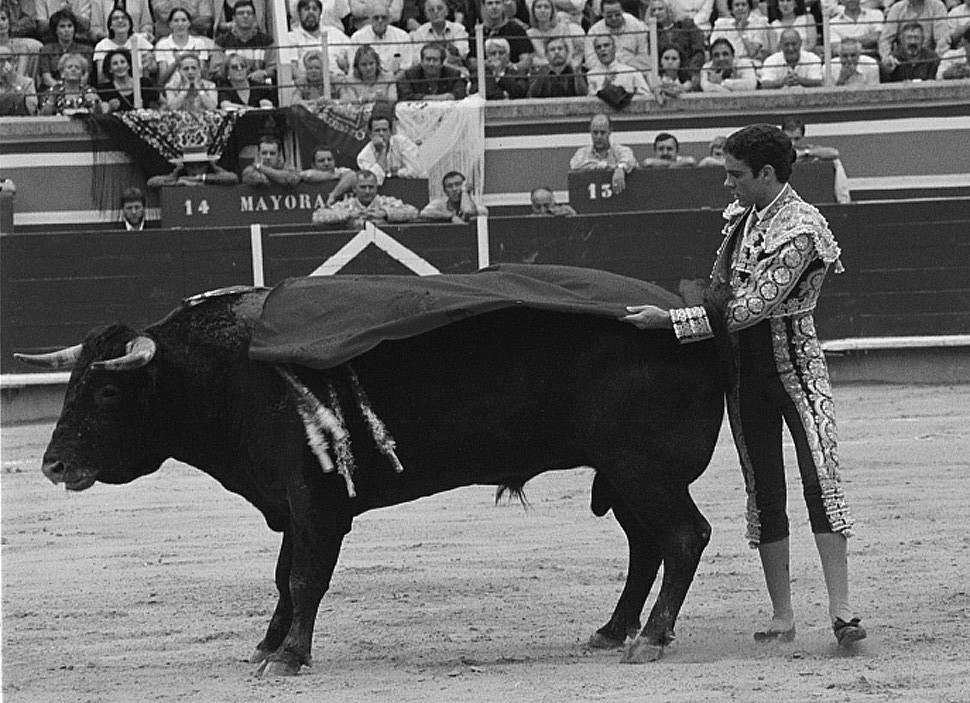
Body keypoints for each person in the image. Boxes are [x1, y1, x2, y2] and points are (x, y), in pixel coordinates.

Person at [622, 123, 867, 650]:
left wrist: (671, 322)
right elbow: (720, 288)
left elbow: (749, 307)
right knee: (765, 490)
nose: (727, 185)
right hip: (745, 376)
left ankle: (843, 611)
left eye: (735, 174)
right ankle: (782, 615)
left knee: (821, 480)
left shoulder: (803, 228)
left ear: (767, 173)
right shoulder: (740, 218)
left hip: (797, 371)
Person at [312, 169, 419, 226]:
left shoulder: (386, 202)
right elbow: (317, 216)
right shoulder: (347, 205)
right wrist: (347, 215)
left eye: (371, 187)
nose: (367, 191)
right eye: (363, 187)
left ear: (376, 188)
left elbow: (414, 212)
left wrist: (385, 213)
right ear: (354, 189)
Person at [782, 115, 850, 203]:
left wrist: (806, 153)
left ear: (802, 137)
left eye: (796, 139)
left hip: (811, 192)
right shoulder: (776, 150)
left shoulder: (806, 149)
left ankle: (844, 202)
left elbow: (834, 153)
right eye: (789, 138)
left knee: (836, 162)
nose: (792, 143)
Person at [569, 113, 636, 196]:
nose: (599, 137)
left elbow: (629, 160)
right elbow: (575, 165)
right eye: (595, 132)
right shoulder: (582, 153)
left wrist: (620, 168)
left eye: (603, 132)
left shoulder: (622, 150)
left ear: (610, 131)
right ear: (589, 130)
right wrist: (607, 166)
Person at [212, 0, 276, 85]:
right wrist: (234, 73)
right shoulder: (221, 42)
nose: (245, 16)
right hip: (230, 90)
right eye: (240, 13)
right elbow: (215, 72)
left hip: (259, 88)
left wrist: (264, 73)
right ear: (233, 18)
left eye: (249, 13)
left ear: (254, 17)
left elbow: (274, 68)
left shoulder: (267, 41)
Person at [282, 0, 352, 77]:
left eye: (315, 9)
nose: (311, 12)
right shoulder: (291, 37)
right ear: (299, 13)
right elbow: (293, 69)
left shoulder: (335, 33)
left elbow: (353, 55)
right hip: (309, 84)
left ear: (320, 13)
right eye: (306, 9)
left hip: (338, 81)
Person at [645, 0, 706, 89]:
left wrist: (690, 72)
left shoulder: (687, 25)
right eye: (653, 10)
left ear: (670, 9)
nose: (656, 13)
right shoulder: (653, 33)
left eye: (660, 9)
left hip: (689, 71)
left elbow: (699, 51)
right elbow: (653, 57)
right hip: (664, 75)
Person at [878, 0, 949, 70]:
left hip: (928, 61)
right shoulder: (897, 8)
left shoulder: (937, 6)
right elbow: (885, 39)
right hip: (901, 62)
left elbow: (942, 40)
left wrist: (935, 64)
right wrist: (887, 58)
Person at [585, 0, 651, 75]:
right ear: (603, 14)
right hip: (606, 72)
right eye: (609, 16)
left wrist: (627, 67)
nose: (614, 18)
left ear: (622, 11)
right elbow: (590, 60)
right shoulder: (594, 31)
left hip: (634, 70)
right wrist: (613, 68)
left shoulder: (636, 24)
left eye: (617, 14)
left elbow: (643, 54)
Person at [357, 113, 425, 184]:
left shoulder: (402, 142)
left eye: (384, 130)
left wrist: (393, 174)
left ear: (390, 132)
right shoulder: (363, 156)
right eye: (377, 130)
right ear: (370, 135)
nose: (381, 134)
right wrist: (381, 152)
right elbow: (375, 181)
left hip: (408, 185)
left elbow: (416, 171)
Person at [467, 0, 532, 73]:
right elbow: (471, 63)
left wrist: (511, 67)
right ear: (484, 7)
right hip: (485, 78)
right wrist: (486, 65)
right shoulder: (476, 32)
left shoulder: (517, 30)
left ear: (503, 5)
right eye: (490, 3)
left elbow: (526, 61)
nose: (494, 7)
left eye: (497, 3)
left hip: (512, 78)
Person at [92, 8, 156, 80]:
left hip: (139, 85)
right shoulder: (102, 46)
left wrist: (149, 63)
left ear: (130, 24)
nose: (120, 20)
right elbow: (101, 78)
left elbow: (153, 69)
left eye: (124, 18)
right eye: (115, 18)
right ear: (110, 26)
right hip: (112, 87)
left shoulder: (140, 41)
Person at [351, 1, 416, 72]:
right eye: (376, 17)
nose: (380, 20)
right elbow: (354, 68)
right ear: (370, 18)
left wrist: (390, 80)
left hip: (395, 80)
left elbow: (405, 68)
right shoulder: (357, 38)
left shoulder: (402, 37)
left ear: (389, 19)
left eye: (384, 17)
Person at [154, 8, 213, 86]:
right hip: (171, 90)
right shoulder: (162, 44)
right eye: (176, 20)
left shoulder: (199, 43)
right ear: (170, 24)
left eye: (183, 20)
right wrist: (177, 61)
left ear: (189, 23)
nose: (180, 24)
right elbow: (162, 79)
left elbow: (203, 75)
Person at [38, 10, 93, 91]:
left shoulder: (87, 50)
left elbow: (85, 77)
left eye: (70, 26)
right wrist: (63, 90)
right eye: (62, 26)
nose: (66, 30)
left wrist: (72, 88)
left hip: (79, 89)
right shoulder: (45, 50)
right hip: (53, 90)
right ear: (55, 30)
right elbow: (47, 78)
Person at [585, 33, 653, 98]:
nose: (602, 49)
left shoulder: (631, 72)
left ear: (614, 48)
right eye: (598, 47)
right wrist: (604, 86)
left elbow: (646, 96)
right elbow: (590, 101)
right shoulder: (591, 75)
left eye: (606, 45)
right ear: (595, 51)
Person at [527, 0, 585, 70]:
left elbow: (569, 53)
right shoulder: (529, 34)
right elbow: (533, 60)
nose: (542, 10)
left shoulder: (563, 28)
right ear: (533, 12)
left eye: (546, 7)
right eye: (538, 7)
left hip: (564, 69)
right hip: (543, 71)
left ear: (552, 11)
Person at [397, 42, 466, 100]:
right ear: (421, 61)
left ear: (442, 63)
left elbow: (461, 92)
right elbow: (405, 95)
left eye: (435, 60)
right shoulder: (409, 75)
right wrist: (439, 98)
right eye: (428, 59)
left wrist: (450, 96)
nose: (431, 64)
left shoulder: (454, 74)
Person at [98, 48, 160, 112]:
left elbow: (164, 103)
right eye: (115, 64)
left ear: (129, 65)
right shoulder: (105, 89)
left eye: (123, 62)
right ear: (110, 69)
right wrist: (109, 107)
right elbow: (99, 113)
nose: (120, 66)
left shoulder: (144, 83)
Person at [146, 145, 239, 187]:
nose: (195, 170)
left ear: (207, 166)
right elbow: (152, 182)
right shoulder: (181, 174)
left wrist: (201, 178)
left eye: (200, 166)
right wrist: (177, 182)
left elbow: (233, 178)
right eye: (191, 166)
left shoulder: (214, 173)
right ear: (185, 166)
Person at [759, 28, 823, 88]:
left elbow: (818, 82)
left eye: (794, 44)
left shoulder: (813, 59)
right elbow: (765, 84)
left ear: (800, 43)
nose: (791, 48)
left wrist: (799, 80)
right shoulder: (771, 61)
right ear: (780, 45)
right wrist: (782, 82)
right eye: (786, 44)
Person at [420, 170, 486, 222]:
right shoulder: (438, 205)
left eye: (458, 184)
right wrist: (450, 217)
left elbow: (468, 212)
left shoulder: (478, 206)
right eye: (449, 186)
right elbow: (424, 213)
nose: (454, 189)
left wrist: (465, 192)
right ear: (445, 191)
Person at [0, 7, 42, 80]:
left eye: (3, 19)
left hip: (19, 86)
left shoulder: (24, 45)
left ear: (9, 22)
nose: (0, 23)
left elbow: (38, 46)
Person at [0, 44, 37, 115]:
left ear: (15, 62)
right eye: (1, 60)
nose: (5, 64)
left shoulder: (28, 83)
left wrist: (14, 84)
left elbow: (31, 109)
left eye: (9, 60)